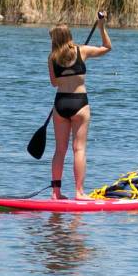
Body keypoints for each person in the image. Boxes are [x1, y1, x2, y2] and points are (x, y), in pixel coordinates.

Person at [48, 13, 111, 200]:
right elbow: (107, 47)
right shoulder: (82, 51)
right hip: (79, 103)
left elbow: (54, 83)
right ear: (69, 36)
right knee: (79, 149)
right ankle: (79, 192)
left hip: (60, 104)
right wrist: (101, 27)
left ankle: (56, 192)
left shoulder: (51, 58)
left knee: (60, 150)